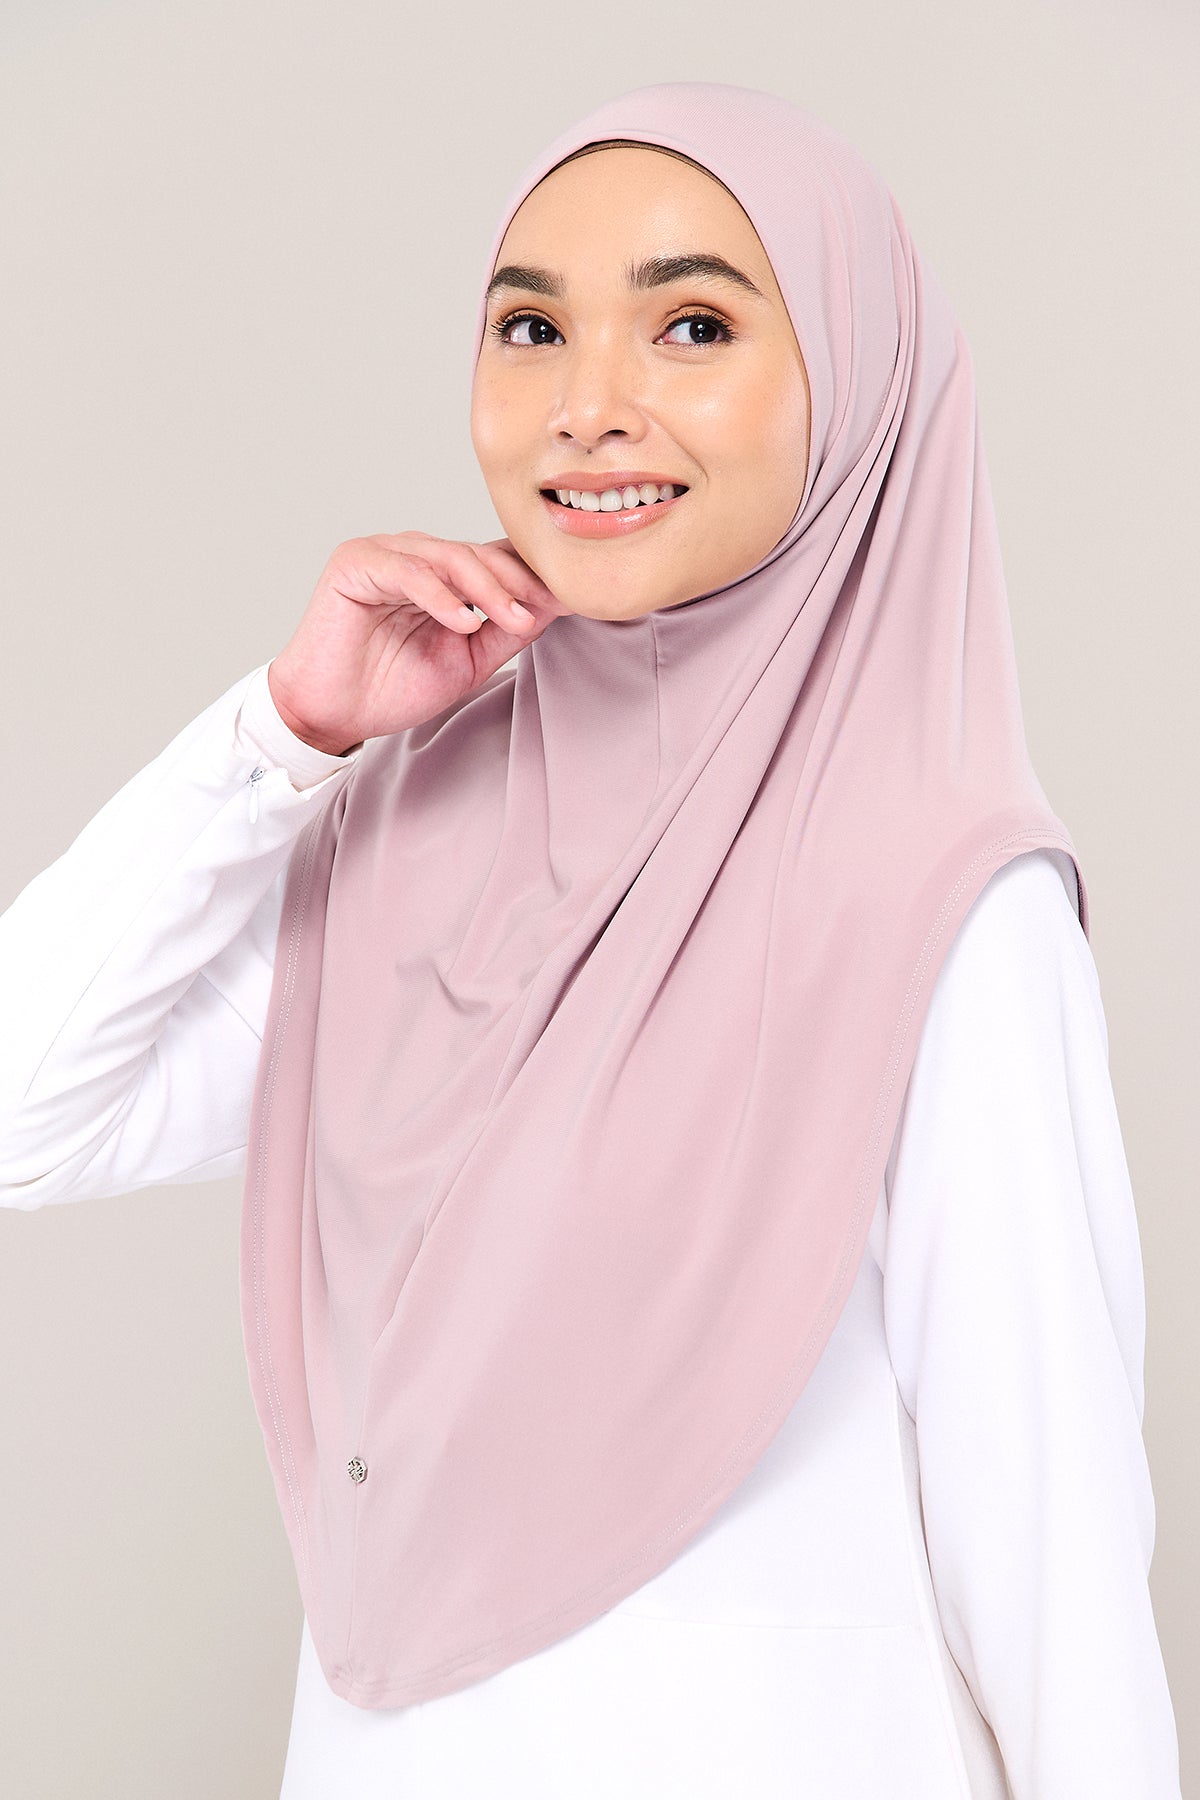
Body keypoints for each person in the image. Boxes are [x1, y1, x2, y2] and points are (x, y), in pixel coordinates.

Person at [0, 80, 1182, 1799]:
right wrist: (282, 738)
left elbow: (1054, 1558)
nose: (588, 407)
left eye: (692, 324)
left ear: (854, 384)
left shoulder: (942, 901)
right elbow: (25, 1111)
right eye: (532, 329)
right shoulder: (411, 843)